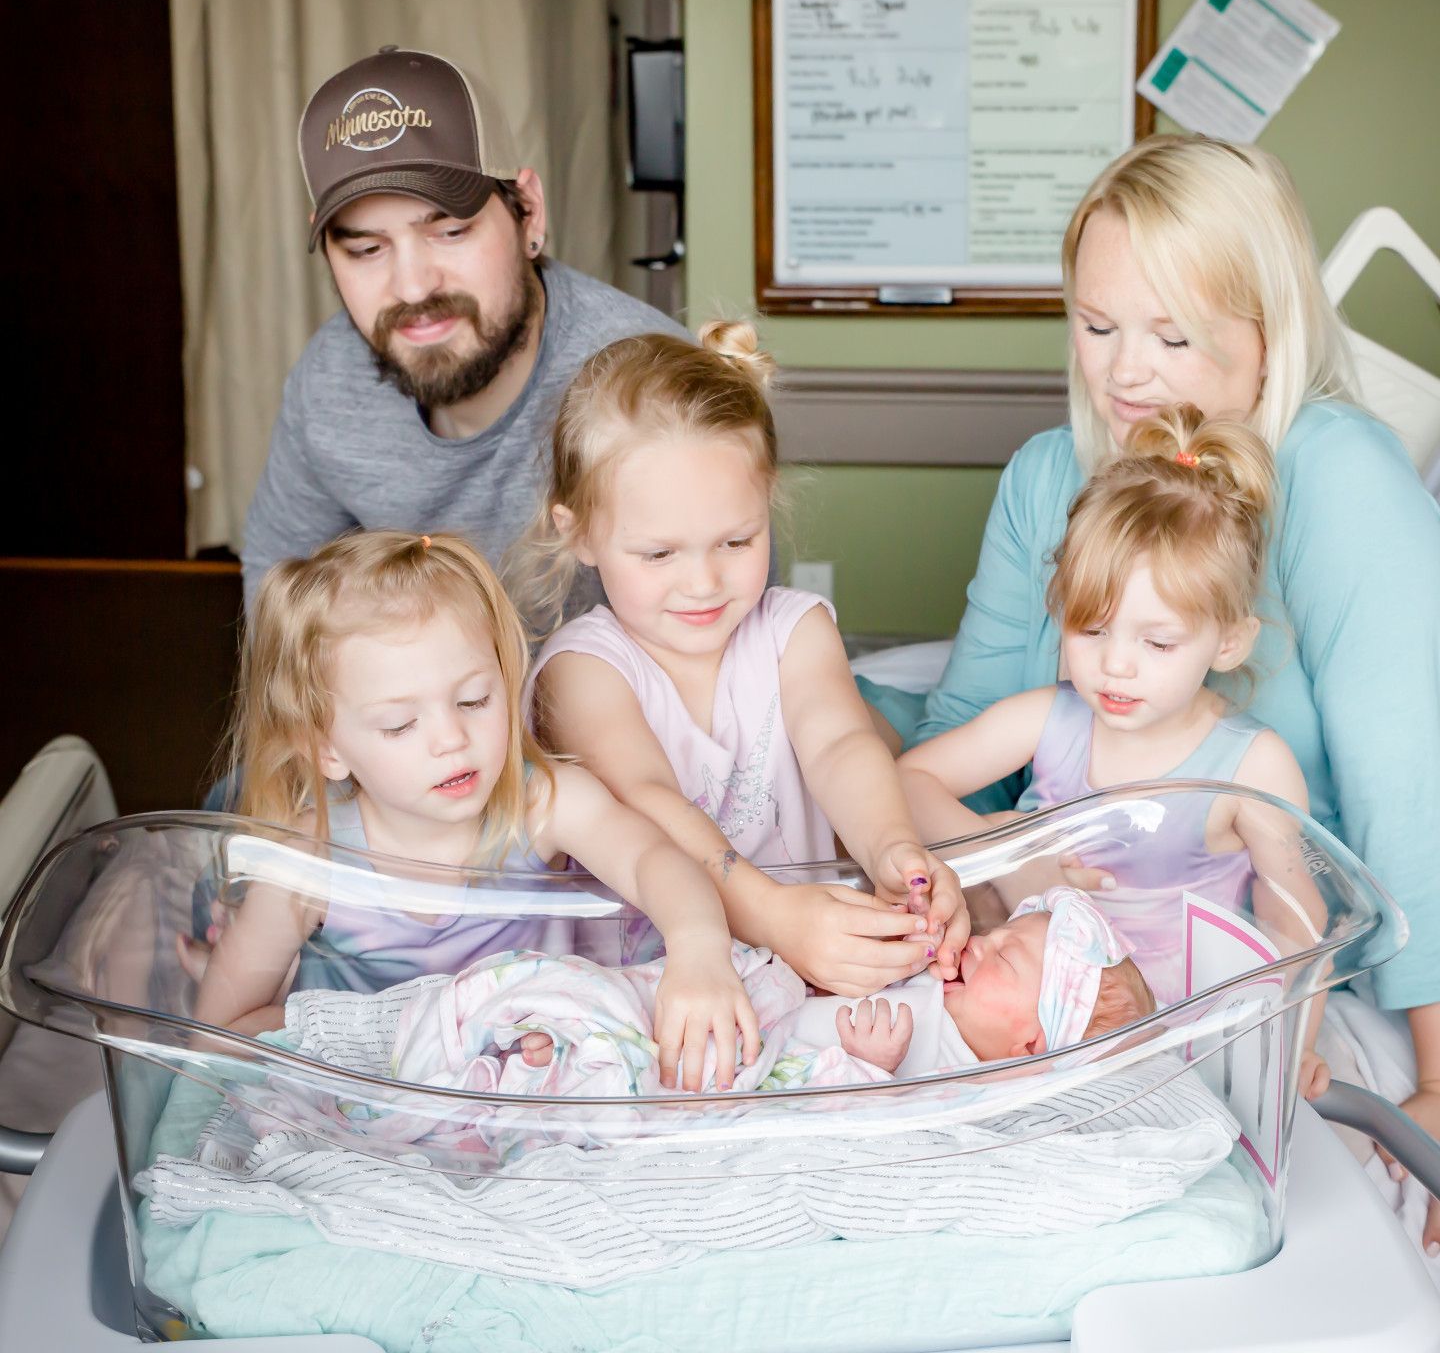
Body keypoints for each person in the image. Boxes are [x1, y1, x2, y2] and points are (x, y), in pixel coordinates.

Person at [867, 134, 1440, 1247]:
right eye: (1097, 326)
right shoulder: (1048, 477)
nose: (1125, 374)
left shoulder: (1343, 482)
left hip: (1284, 974)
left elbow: (1411, 801)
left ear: (1268, 331)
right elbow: (959, 746)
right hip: (1059, 956)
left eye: (1172, 336)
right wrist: (997, 886)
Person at [192, 530, 760, 1093]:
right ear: (326, 749)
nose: (451, 739)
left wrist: (699, 951)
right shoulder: (311, 858)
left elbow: (653, 859)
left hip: (528, 1088)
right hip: (375, 1101)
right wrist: (402, 1033)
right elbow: (215, 1033)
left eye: (474, 700)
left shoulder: (541, 803)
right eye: (400, 725)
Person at [516, 321, 969, 997]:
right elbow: (648, 801)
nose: (703, 583)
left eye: (736, 541)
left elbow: (841, 745)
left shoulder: (795, 630)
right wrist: (776, 917)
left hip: (816, 970)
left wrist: (893, 849)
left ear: (767, 500)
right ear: (578, 533)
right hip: (655, 986)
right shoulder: (582, 671)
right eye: (659, 553)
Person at [898, 403, 1329, 1095]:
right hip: (1020, 1022)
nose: (1115, 666)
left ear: (1228, 641)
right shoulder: (1052, 719)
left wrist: (1292, 1046)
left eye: (1157, 642)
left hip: (1173, 1037)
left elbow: (1298, 925)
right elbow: (904, 782)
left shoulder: (1251, 766)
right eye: (1091, 630)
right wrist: (1009, 854)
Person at [241, 46, 684, 613]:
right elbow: (280, 596)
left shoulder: (653, 384)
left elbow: (727, 639)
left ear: (529, 211)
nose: (413, 287)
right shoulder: (329, 383)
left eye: (450, 232)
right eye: (367, 249)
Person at [391, 888, 1154, 1099]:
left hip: (734, 1072)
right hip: (731, 1006)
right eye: (1000, 933)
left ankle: (529, 1068)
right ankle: (520, 1027)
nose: (982, 942)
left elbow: (883, 1141)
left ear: (1029, 1043)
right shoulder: (943, 984)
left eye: (1006, 961)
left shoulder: (967, 1080)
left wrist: (868, 1071)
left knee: (633, 1077)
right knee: (608, 997)